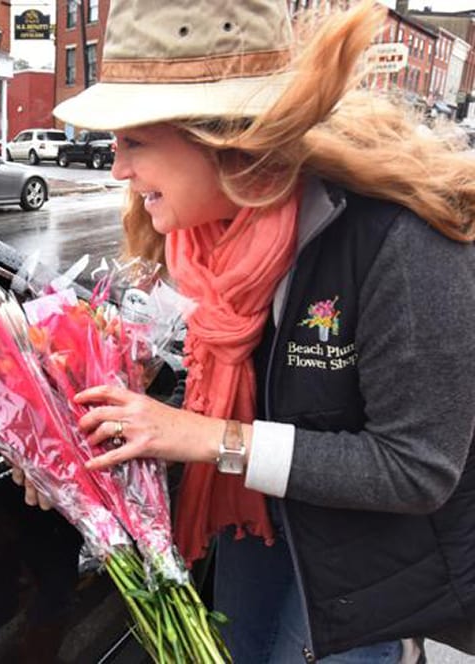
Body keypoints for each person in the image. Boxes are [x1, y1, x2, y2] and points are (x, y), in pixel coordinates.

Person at [24, 0, 475, 661]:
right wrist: (73, 434)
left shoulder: (399, 240)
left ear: (224, 136)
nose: (117, 169)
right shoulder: (197, 243)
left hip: (362, 573)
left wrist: (207, 438)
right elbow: (206, 394)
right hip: (252, 527)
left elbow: (418, 469)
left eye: (135, 142)